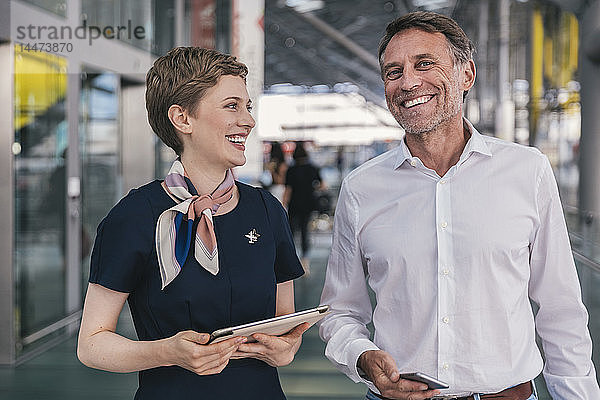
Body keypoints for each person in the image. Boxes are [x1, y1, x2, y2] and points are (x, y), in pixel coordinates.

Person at [319, 11, 600, 400]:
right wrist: (362, 356)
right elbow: (339, 312)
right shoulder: (361, 189)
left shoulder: (526, 170)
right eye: (393, 71)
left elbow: (561, 309)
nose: (408, 82)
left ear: (466, 75)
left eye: (425, 64)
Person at [77, 47, 308, 399]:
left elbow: (285, 323)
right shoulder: (134, 217)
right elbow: (91, 345)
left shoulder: (267, 210)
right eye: (232, 105)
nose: (248, 120)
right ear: (183, 119)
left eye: (248, 107)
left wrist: (286, 348)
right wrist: (166, 351)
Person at [283, 141, 322, 269]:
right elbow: (322, 185)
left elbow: (288, 190)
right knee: (305, 232)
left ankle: (290, 260)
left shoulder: (291, 170)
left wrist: (283, 205)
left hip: (294, 204)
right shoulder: (312, 168)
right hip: (308, 204)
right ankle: (305, 262)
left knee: (291, 233)